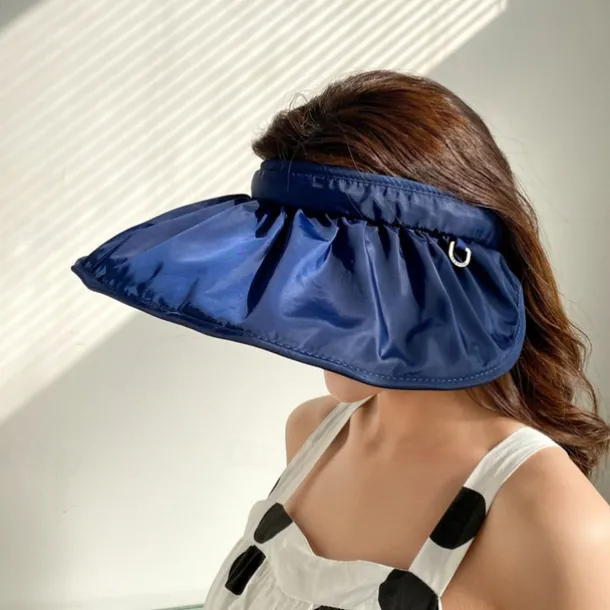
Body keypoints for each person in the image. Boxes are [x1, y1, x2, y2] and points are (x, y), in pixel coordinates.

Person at [72, 70, 610, 609]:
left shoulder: (552, 518)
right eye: (300, 263)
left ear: (443, 274)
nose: (308, 297)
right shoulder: (313, 433)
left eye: (346, 267)